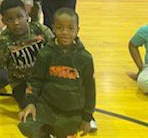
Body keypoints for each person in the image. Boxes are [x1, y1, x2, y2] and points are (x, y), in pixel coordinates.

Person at [18, 8, 95, 138]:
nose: (65, 32)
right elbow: (35, 80)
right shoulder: (45, 53)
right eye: (59, 28)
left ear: (77, 30)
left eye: (70, 28)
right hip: (47, 107)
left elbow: (90, 88)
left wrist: (87, 117)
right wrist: (30, 103)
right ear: (53, 28)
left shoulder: (85, 58)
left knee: (64, 132)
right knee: (26, 124)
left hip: (72, 112)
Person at [0, 0, 53, 114]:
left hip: (45, 77)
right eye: (10, 19)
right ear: (4, 21)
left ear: (27, 15)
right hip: (22, 83)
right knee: (34, 106)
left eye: (19, 17)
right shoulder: (3, 42)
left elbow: (59, 51)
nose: (16, 22)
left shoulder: (39, 30)